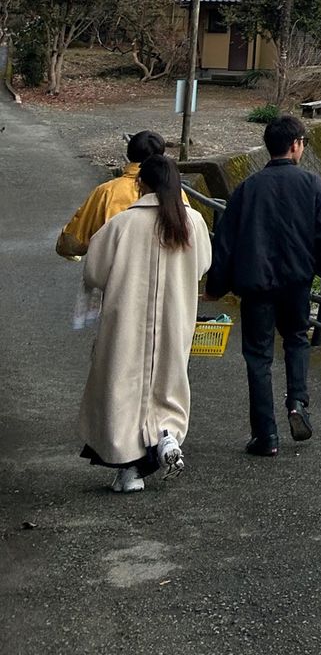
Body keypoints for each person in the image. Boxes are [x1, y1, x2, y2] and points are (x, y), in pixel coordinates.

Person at [206, 115, 321, 457]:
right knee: (296, 339)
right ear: (296, 144)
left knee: (258, 356)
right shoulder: (314, 185)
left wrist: (216, 287)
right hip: (296, 281)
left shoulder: (248, 188)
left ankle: (265, 435)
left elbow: (225, 242)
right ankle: (297, 402)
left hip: (256, 285)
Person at [78, 152, 212, 493]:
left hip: (127, 321)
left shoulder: (122, 225)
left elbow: (94, 271)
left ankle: (128, 469)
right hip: (175, 318)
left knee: (122, 385)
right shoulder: (192, 223)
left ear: (141, 184)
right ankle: (166, 436)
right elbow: (203, 265)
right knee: (167, 380)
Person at [56, 130, 169, 258]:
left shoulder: (107, 192)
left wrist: (65, 241)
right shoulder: (176, 194)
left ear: (128, 154)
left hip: (117, 272)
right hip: (164, 273)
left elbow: (73, 242)